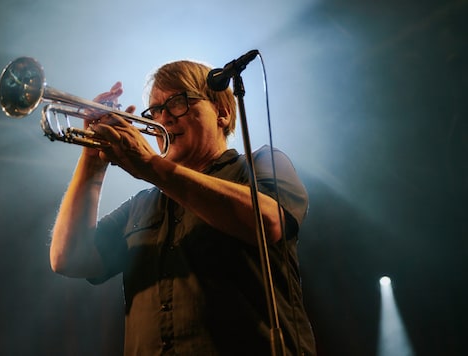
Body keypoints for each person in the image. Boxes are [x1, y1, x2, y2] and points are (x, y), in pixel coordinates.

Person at [49, 59, 316, 355]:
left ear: (223, 112)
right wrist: (91, 156)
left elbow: (267, 222)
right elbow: (68, 258)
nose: (164, 118)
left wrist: (151, 166)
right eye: (156, 110)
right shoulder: (143, 204)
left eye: (177, 102)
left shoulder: (261, 164)